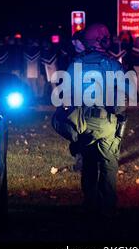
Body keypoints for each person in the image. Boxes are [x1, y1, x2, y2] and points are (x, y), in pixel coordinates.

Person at [53, 23, 127, 217]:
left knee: (89, 163)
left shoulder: (75, 64)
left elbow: (65, 94)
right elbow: (129, 90)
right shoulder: (112, 63)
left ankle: (90, 205)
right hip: (107, 122)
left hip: (82, 121)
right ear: (103, 41)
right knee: (109, 165)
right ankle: (108, 208)